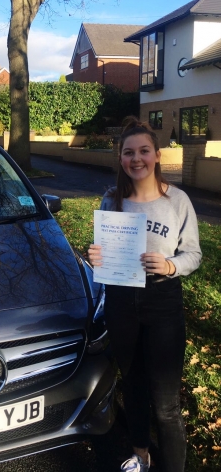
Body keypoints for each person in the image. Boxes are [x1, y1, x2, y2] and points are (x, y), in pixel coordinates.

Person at [87, 117, 201, 472]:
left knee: (165, 402)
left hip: (163, 301)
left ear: (156, 155)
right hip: (122, 300)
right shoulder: (112, 200)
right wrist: (96, 258)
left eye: (144, 151)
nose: (136, 159)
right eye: (128, 153)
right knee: (133, 386)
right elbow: (103, 255)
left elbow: (193, 254)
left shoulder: (177, 201)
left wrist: (169, 266)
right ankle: (141, 456)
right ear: (120, 158)